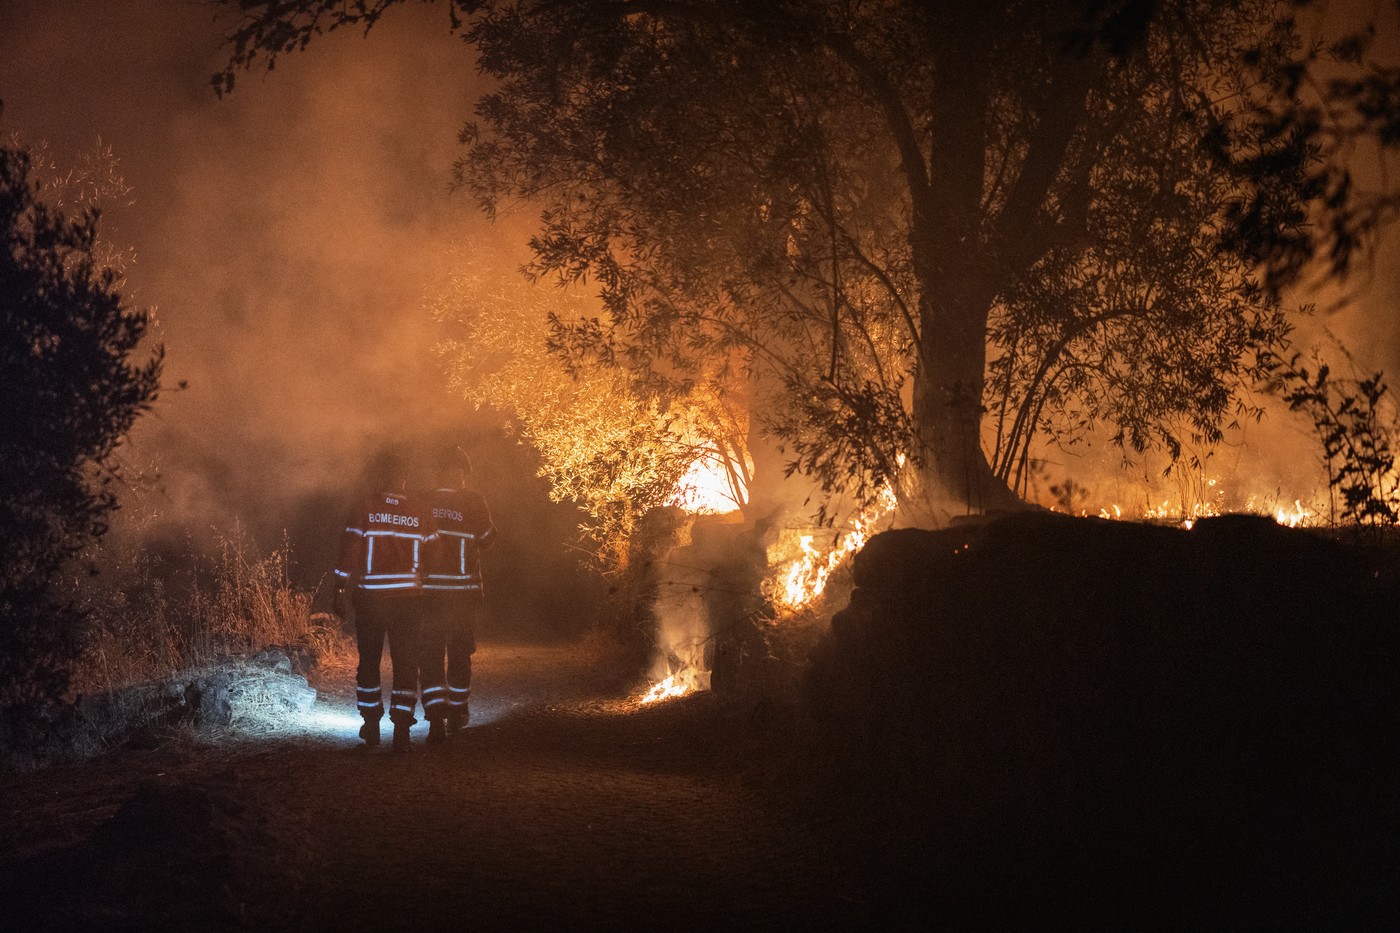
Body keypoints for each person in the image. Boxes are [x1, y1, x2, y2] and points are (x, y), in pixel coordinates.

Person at [332, 451, 437, 752]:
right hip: (409, 600)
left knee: (369, 662)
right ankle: (402, 729)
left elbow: (349, 551)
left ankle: (371, 724)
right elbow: (436, 553)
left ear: (379, 477)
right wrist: (424, 581)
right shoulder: (420, 510)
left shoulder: (365, 507)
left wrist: (339, 589)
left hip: (371, 599)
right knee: (406, 662)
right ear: (404, 479)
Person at [418, 446, 497, 743]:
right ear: (463, 473)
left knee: (430, 654)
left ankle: (435, 717)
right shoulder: (474, 501)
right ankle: (457, 713)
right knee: (461, 653)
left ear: (439, 471)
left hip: (428, 592)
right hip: (463, 592)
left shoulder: (424, 500)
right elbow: (488, 540)